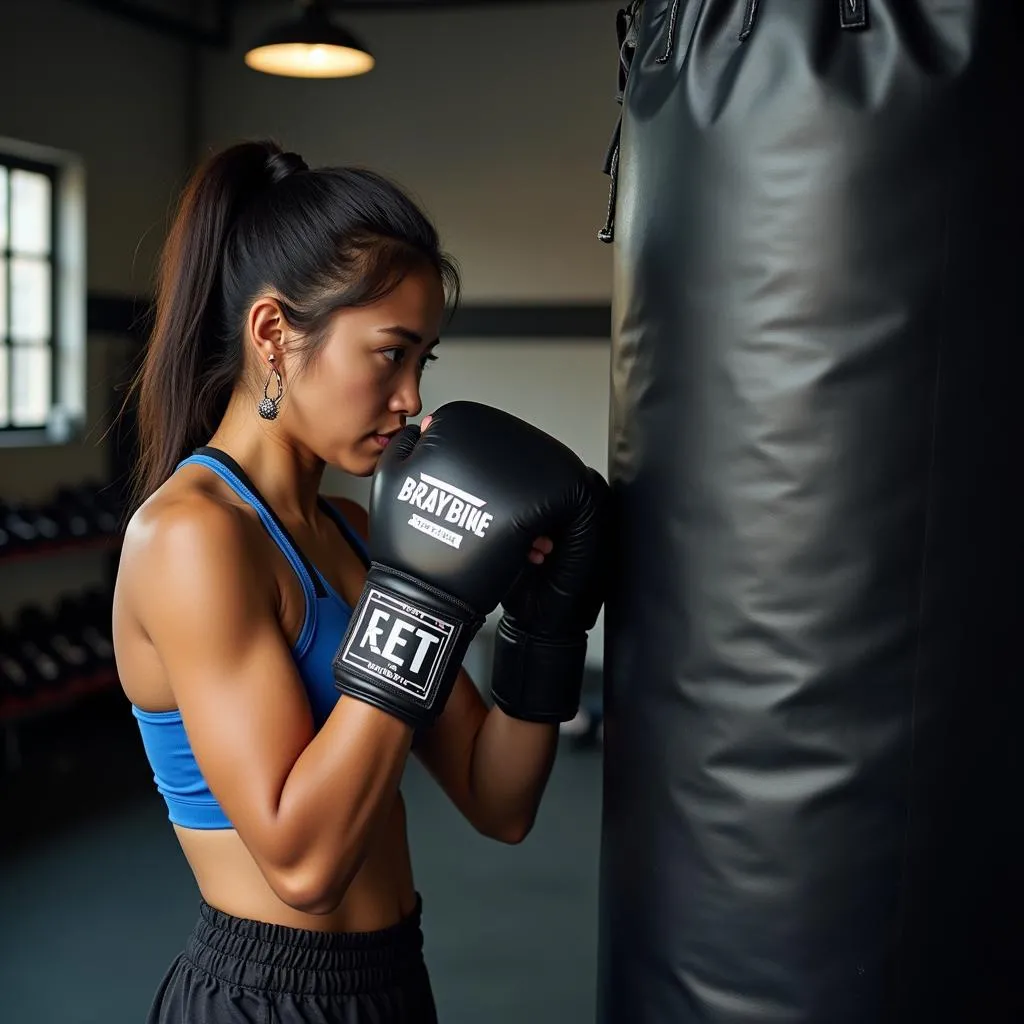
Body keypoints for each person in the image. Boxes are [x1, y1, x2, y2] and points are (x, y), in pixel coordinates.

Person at [112, 139, 607, 1024]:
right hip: (263, 998)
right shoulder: (190, 538)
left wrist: (545, 621)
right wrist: (423, 601)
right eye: (390, 353)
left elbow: (499, 801)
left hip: (388, 981)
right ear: (274, 334)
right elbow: (302, 865)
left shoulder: (350, 530)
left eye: (426, 363)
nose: (412, 398)